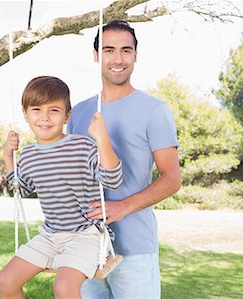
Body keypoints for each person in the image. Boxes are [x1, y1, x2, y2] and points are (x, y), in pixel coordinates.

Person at [67, 20, 182, 298]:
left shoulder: (154, 110)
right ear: (96, 56)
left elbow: (172, 179)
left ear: (135, 55)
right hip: (86, 249)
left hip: (135, 249)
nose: (118, 59)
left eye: (125, 50)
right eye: (108, 50)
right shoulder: (79, 112)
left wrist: (121, 208)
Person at [0, 76, 123, 299]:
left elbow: (112, 179)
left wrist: (103, 140)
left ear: (67, 115)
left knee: (64, 288)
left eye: (54, 110)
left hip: (86, 235)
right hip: (50, 235)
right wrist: (8, 155)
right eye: (36, 109)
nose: (45, 117)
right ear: (25, 114)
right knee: (7, 279)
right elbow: (20, 188)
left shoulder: (82, 146)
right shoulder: (28, 154)